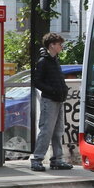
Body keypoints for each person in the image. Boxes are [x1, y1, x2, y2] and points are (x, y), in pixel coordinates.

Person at [30, 32, 72, 172]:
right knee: (46, 130)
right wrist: (53, 91)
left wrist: (62, 90)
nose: (61, 46)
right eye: (59, 44)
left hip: (58, 99)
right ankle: (37, 159)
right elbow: (37, 81)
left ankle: (57, 159)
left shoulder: (54, 60)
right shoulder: (44, 62)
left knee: (58, 131)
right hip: (50, 100)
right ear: (52, 45)